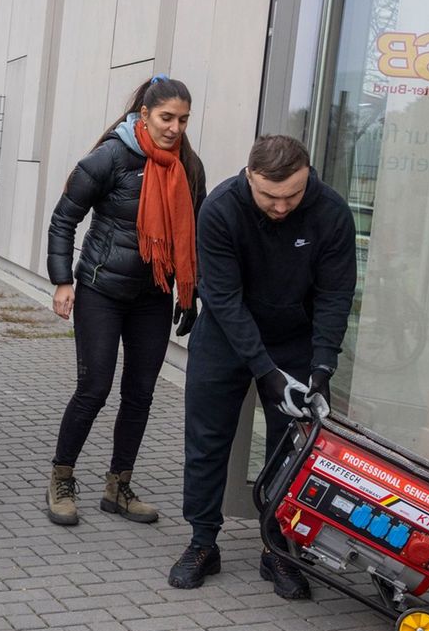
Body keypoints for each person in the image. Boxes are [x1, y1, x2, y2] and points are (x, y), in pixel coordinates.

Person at [168, 134, 357, 599]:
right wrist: (264, 371)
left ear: (307, 175)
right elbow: (225, 299)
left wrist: (323, 364)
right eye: (269, 195)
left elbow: (335, 295)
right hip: (225, 334)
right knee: (208, 436)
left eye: (292, 195)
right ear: (249, 175)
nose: (280, 206)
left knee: (293, 447)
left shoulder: (331, 213)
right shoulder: (220, 209)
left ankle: (279, 548)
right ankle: (202, 541)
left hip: (295, 335)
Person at [44, 76, 206, 526]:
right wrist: (62, 280)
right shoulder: (110, 156)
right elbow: (64, 219)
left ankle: (118, 486)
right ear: (146, 113)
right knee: (94, 390)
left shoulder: (189, 167)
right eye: (166, 118)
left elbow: (197, 237)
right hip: (100, 290)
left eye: (183, 120)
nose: (174, 128)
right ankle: (61, 478)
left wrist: (192, 294)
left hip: (153, 295)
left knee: (140, 394)